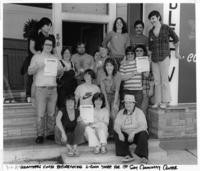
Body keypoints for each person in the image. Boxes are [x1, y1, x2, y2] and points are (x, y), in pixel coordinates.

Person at [28, 37, 63, 144]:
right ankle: (40, 135)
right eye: (47, 45)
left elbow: (60, 73)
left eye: (50, 45)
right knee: (40, 114)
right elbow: (29, 71)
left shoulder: (55, 58)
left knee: (51, 114)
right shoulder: (36, 57)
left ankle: (50, 133)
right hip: (41, 89)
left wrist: (60, 70)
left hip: (53, 89)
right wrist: (37, 67)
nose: (49, 47)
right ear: (43, 45)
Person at [148, 10, 181, 109]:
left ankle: (165, 101)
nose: (152, 20)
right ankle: (157, 102)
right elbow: (150, 47)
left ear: (158, 17)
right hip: (154, 59)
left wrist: (176, 52)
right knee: (157, 81)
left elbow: (176, 39)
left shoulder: (166, 28)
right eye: (150, 19)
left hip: (164, 57)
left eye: (153, 18)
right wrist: (149, 59)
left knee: (164, 81)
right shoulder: (150, 31)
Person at [22, 17, 56, 103]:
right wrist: (38, 55)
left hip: (49, 61)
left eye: (50, 25)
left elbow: (54, 51)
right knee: (32, 77)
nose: (49, 27)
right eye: (47, 25)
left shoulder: (52, 37)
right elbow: (31, 48)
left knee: (49, 77)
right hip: (36, 58)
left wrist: (57, 60)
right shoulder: (36, 35)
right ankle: (29, 95)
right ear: (41, 26)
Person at [114, 94, 148, 164]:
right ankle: (127, 155)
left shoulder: (139, 112)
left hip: (136, 135)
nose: (127, 104)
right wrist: (120, 133)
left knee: (143, 133)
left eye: (130, 103)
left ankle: (143, 157)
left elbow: (144, 126)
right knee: (116, 133)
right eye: (126, 103)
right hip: (125, 136)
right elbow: (116, 125)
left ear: (134, 103)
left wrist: (133, 133)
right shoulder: (121, 112)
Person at [135, 45, 154, 118]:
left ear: (144, 52)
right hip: (135, 91)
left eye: (141, 50)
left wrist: (151, 88)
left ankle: (143, 128)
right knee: (135, 111)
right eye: (137, 51)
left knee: (143, 111)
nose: (139, 52)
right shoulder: (132, 62)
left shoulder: (148, 62)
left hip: (145, 91)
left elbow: (153, 76)